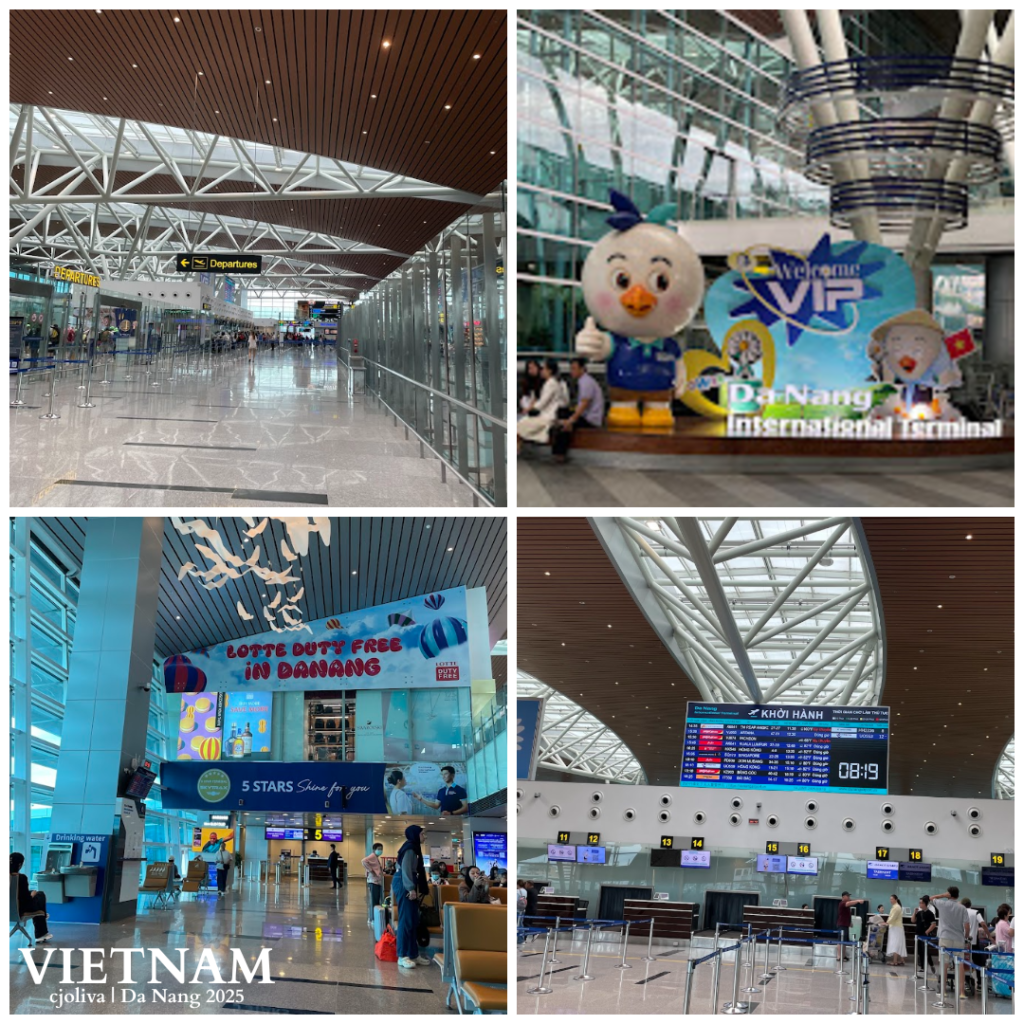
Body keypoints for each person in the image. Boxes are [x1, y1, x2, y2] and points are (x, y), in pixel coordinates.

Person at [550, 357, 605, 462]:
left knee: (565, 425)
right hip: (584, 416)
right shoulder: (583, 381)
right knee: (562, 413)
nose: (572, 371)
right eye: (571, 368)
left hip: (590, 420)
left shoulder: (586, 382)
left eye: (574, 368)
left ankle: (560, 454)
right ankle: (558, 450)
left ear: (582, 369)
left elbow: (584, 404)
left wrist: (571, 420)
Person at [391, 825, 430, 970]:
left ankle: (413, 953)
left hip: (408, 880)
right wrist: (410, 888)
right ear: (415, 834)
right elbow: (406, 869)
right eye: (422, 834)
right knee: (406, 920)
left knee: (413, 920)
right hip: (404, 882)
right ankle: (402, 955)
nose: (424, 836)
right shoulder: (409, 848)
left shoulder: (414, 848)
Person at [517, 359, 568, 452]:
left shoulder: (551, 383)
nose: (542, 370)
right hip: (546, 415)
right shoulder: (551, 382)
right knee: (519, 427)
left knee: (519, 426)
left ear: (550, 371)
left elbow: (541, 404)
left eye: (544, 368)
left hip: (547, 417)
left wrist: (529, 409)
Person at [930, 886, 971, 997]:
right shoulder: (962, 908)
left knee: (944, 964)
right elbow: (967, 925)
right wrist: (966, 936)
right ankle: (962, 992)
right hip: (958, 939)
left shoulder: (942, 904)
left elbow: (931, 898)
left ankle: (943, 991)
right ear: (958, 895)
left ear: (948, 894)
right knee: (960, 965)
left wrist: (943, 895)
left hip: (945, 938)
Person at [10, 852, 51, 944]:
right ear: (20, 864)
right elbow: (27, 900)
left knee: (35, 895)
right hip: (18, 910)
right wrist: (33, 893)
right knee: (39, 894)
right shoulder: (21, 878)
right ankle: (41, 931)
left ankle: (43, 917)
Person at [837, 891, 868, 961]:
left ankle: (843, 956)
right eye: (847, 896)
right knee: (840, 941)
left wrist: (849, 922)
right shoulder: (842, 903)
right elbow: (849, 903)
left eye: (849, 896)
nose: (849, 897)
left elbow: (847, 915)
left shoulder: (847, 905)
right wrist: (858, 901)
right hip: (841, 925)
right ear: (843, 897)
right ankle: (839, 956)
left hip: (845, 925)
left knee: (844, 942)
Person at [913, 896, 937, 972]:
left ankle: (931, 964)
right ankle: (923, 967)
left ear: (925, 904)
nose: (920, 904)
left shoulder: (930, 913)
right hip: (918, 934)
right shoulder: (919, 913)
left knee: (925, 951)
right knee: (920, 951)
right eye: (919, 903)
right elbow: (913, 920)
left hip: (925, 935)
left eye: (921, 903)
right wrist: (914, 912)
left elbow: (933, 924)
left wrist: (927, 931)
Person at [361, 841, 384, 918]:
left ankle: (375, 917)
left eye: (381, 849)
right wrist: (371, 870)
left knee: (376, 900)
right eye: (379, 849)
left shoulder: (376, 857)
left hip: (377, 881)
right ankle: (373, 918)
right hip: (374, 882)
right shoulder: (372, 856)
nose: (380, 850)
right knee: (375, 901)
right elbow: (363, 861)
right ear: (374, 850)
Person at [887, 894, 907, 965]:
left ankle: (895, 961)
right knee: (900, 943)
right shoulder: (896, 907)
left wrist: (886, 923)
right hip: (897, 927)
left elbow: (892, 918)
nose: (891, 900)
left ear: (896, 899)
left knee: (895, 943)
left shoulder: (896, 907)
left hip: (896, 927)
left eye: (892, 899)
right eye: (890, 899)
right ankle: (902, 960)